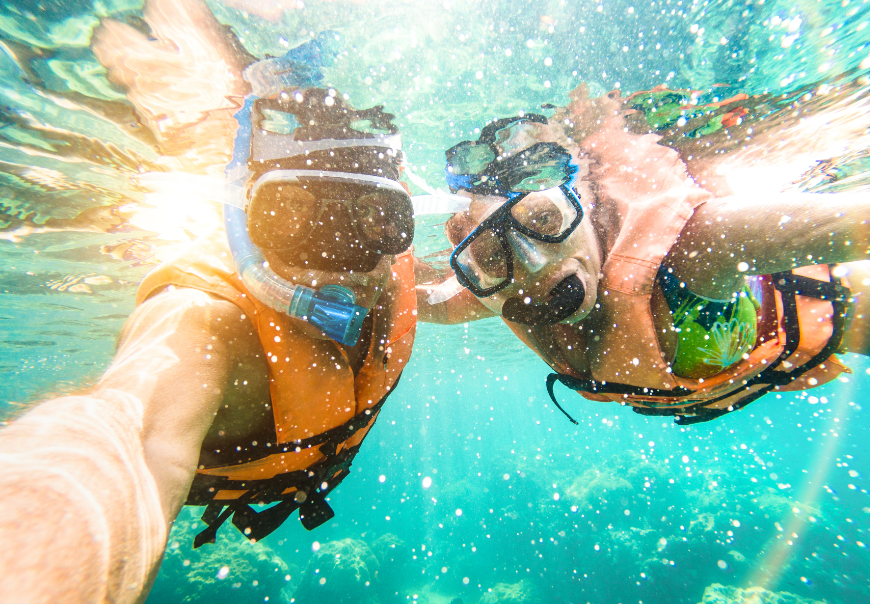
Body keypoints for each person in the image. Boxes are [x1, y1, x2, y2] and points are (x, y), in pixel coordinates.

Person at [0, 0, 421, 601]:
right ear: (245, 223)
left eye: (373, 222)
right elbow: (124, 433)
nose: (336, 261)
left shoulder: (390, 277)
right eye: (295, 219)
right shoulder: (200, 320)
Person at [421, 81, 869, 425]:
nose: (534, 265)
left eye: (544, 221)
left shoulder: (700, 247)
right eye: (495, 257)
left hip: (847, 310)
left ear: (588, 205)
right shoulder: (498, 286)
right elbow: (428, 303)